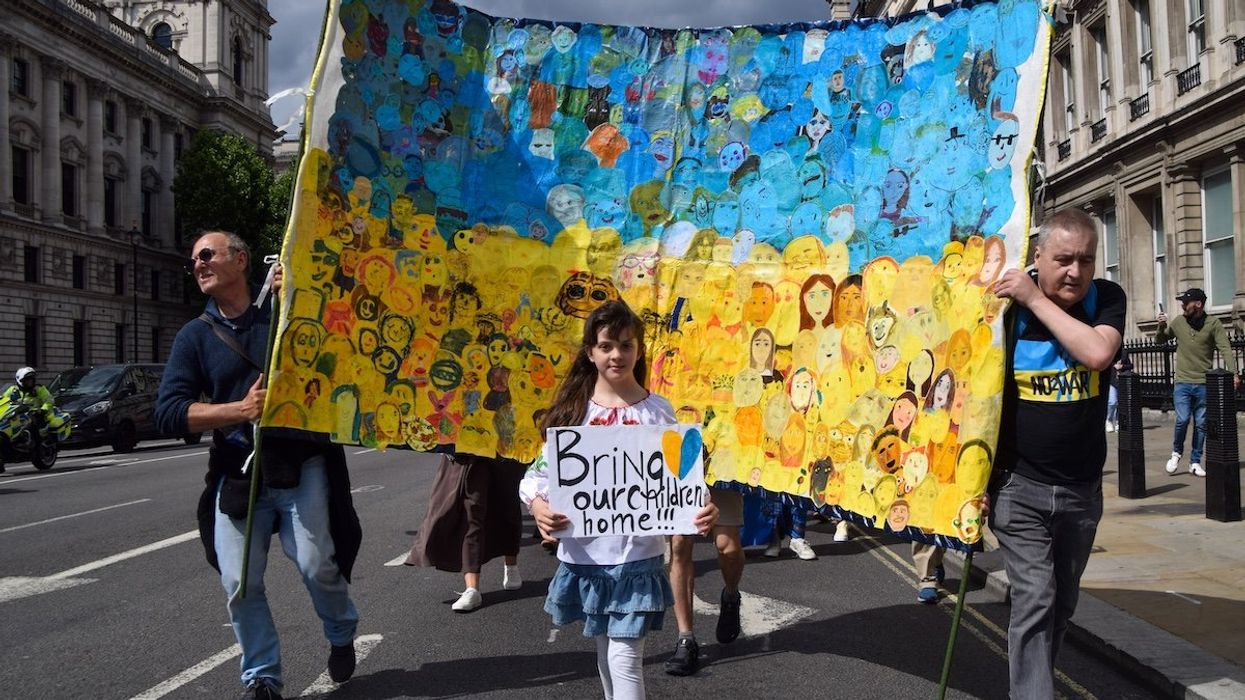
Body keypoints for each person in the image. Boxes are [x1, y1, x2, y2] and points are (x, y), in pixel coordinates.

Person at [156, 231, 362, 700]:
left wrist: (305, 288)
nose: (198, 264)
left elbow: (339, 341)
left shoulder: (285, 313)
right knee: (239, 581)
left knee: (315, 564)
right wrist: (237, 411)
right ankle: (262, 678)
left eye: (207, 255)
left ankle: (341, 629)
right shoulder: (195, 335)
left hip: (299, 463)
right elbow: (168, 412)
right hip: (237, 473)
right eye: (193, 261)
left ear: (241, 260)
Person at [520, 300, 717, 699]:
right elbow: (535, 476)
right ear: (590, 352)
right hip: (585, 558)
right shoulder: (572, 413)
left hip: (636, 558)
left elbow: (681, 478)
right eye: (607, 345)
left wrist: (702, 503)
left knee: (625, 658)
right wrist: (539, 506)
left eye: (626, 345)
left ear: (639, 350)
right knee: (606, 650)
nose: (617, 354)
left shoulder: (658, 412)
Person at [989, 208, 1125, 699]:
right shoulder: (1005, 308)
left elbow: (1096, 354)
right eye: (1063, 259)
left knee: (1061, 604)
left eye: (1086, 261)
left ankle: (1034, 684)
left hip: (1081, 492)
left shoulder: (1106, 299)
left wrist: (1034, 297)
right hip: (1017, 488)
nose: (1075, 272)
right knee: (1036, 597)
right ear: (1037, 256)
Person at [405, 453, 525, 612]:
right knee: (471, 513)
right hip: (468, 448)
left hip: (505, 447)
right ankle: (472, 588)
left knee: (507, 507)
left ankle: (511, 566)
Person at [1154, 288, 1239, 477]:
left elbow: (1225, 348)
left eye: (1186, 303)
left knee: (1201, 423)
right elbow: (1160, 341)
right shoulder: (1178, 322)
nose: (1183, 306)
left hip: (1203, 382)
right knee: (1183, 419)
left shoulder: (1213, 324)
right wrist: (1161, 325)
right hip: (1182, 381)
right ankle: (1176, 453)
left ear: (1198, 305)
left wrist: (1233, 373)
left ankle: (1194, 461)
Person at [666, 484, 747, 676]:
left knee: (728, 547)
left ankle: (731, 594)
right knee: (679, 545)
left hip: (721, 468)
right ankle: (685, 639)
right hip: (683, 469)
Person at [0, 367, 69, 472]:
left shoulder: (39, 389)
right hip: (18, 413)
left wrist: (42, 410)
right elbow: (3, 399)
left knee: (32, 423)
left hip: (37, 414)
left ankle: (37, 449)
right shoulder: (13, 390)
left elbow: (49, 400)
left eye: (31, 379)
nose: (30, 382)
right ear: (20, 381)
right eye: (27, 380)